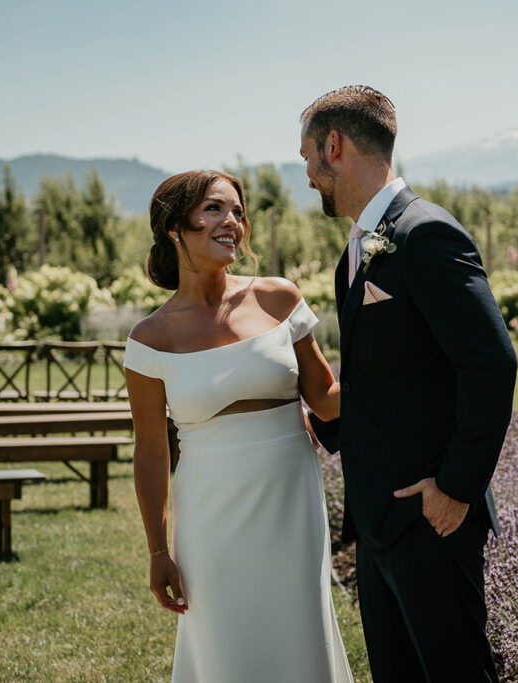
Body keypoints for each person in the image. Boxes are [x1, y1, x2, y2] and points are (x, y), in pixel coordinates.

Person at [300, 86, 518, 682]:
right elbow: (384, 375)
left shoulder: (426, 234)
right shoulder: (355, 252)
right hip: (378, 524)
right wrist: (313, 422)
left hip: (430, 518)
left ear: (334, 147)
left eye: (307, 159)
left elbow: (492, 364)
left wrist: (455, 486)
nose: (309, 177)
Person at [123, 170, 353, 682]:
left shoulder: (279, 298)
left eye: (238, 211)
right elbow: (152, 451)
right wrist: (158, 551)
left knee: (299, 631)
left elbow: (326, 398)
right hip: (209, 512)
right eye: (214, 209)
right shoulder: (149, 339)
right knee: (226, 639)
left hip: (291, 497)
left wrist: (399, 364)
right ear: (174, 228)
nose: (233, 222)